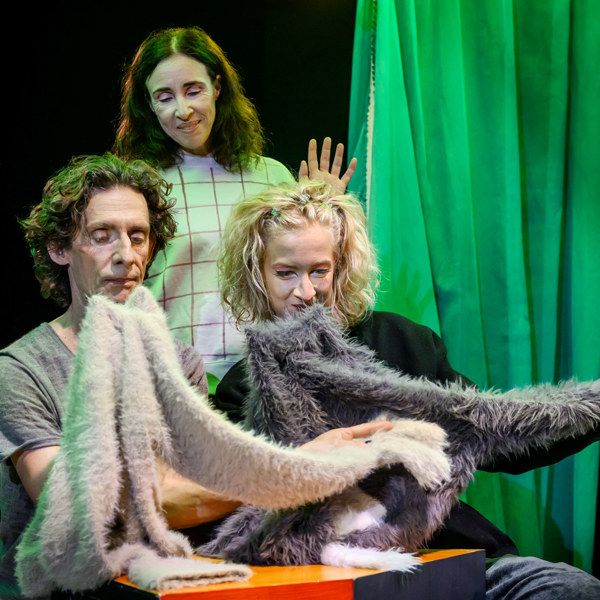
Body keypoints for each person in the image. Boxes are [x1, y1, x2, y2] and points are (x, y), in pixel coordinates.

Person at [0, 154, 384, 599]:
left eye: (138, 236)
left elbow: (183, 498)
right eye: (102, 236)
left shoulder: (180, 362)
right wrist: (296, 469)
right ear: (60, 249)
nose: (126, 255)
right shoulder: (21, 368)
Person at [213, 179, 600, 599]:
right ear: (257, 273)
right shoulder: (242, 389)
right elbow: (255, 520)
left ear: (340, 267)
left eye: (319, 271)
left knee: (569, 588)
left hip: (456, 558)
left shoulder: (406, 342)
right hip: (341, 575)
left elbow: (497, 434)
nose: (305, 292)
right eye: (286, 273)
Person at [114, 25, 356, 382]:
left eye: (193, 90)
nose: (183, 110)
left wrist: (326, 214)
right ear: (148, 105)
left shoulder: (270, 177)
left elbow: (319, 276)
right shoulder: (137, 186)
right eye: (164, 97)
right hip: (176, 379)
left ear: (217, 86)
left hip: (270, 375)